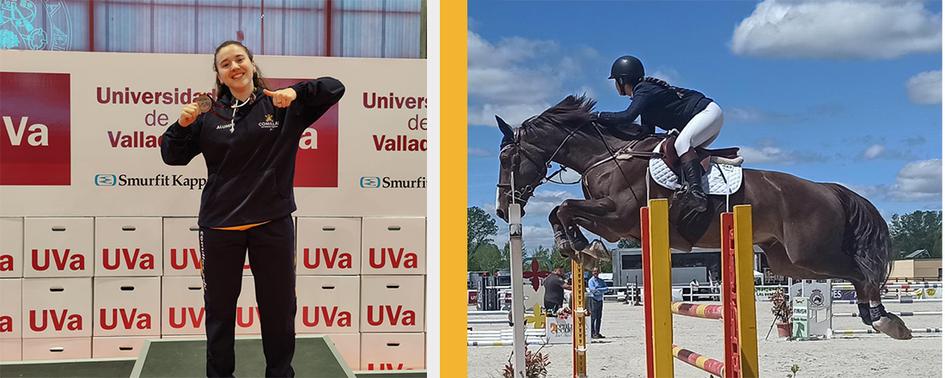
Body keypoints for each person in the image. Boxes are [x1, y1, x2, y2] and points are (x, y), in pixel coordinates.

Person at [160, 40, 345, 377]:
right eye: (225, 64)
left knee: (278, 310)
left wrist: (297, 92)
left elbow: (335, 88)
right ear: (219, 74)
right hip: (219, 228)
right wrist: (181, 126)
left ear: (252, 64)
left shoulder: (281, 106)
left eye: (239, 59)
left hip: (271, 224)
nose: (234, 67)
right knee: (219, 314)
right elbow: (172, 157)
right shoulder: (208, 115)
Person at [595, 55, 724, 212]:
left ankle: (697, 194)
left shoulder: (643, 90)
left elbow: (627, 116)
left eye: (616, 81)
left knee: (682, 144)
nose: (615, 85)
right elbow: (646, 132)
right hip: (704, 117)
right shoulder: (644, 96)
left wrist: (598, 116)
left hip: (708, 113)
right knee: (677, 153)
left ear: (622, 80)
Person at [587, 267, 608, 339]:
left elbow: (606, 289)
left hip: (600, 300)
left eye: (597, 271)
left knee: (599, 317)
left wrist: (598, 289)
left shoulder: (601, 281)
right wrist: (600, 290)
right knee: (593, 317)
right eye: (594, 271)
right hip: (593, 300)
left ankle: (597, 332)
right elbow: (592, 290)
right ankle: (592, 333)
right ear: (592, 272)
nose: (596, 273)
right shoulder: (591, 281)